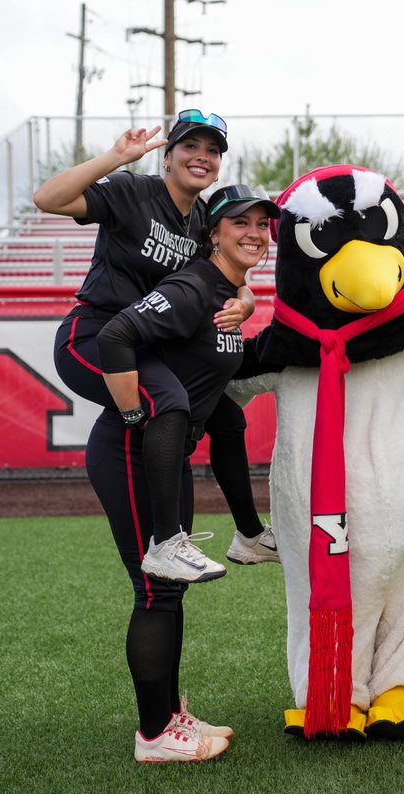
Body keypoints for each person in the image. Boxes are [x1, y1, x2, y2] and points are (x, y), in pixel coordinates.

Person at [34, 110, 279, 575]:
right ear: (168, 156)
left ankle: (250, 534)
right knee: (168, 401)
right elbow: (47, 199)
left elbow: (226, 271)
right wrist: (115, 156)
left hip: (149, 345)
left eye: (212, 150)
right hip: (95, 335)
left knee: (224, 415)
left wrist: (246, 300)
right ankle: (166, 541)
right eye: (190, 146)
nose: (201, 157)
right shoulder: (133, 191)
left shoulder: (206, 217)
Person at [85, 184, 281, 762]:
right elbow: (115, 335)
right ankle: (153, 736)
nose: (253, 233)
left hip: (167, 460)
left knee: (167, 594)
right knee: (154, 590)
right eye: (238, 223)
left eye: (262, 226)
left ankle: (169, 718)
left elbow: (225, 382)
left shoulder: (225, 291)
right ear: (212, 233)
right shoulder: (194, 284)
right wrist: (131, 416)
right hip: (129, 452)